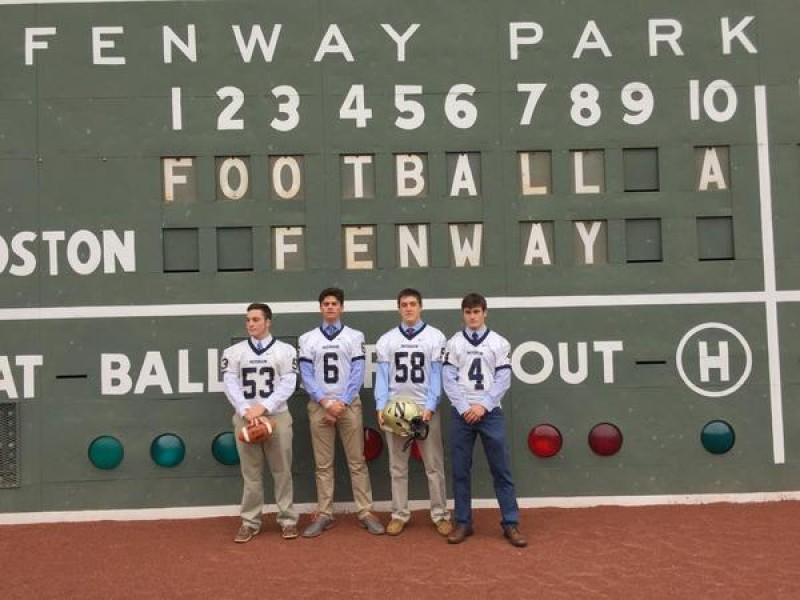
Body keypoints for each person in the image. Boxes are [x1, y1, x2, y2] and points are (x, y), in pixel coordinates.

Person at [442, 293, 527, 547]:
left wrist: (483, 406)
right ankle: (463, 522)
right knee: (460, 470)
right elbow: (448, 378)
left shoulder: (499, 343)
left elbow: (504, 379)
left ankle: (511, 523)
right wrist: (464, 406)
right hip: (462, 414)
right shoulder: (454, 343)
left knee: (501, 469)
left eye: (476, 311)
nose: (472, 316)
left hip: (490, 413)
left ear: (485, 312)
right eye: (468, 312)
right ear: (463, 314)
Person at [298, 287, 385, 537]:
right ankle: (324, 513)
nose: (330, 307)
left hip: (348, 405)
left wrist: (342, 403)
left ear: (341, 307)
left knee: (357, 461)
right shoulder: (308, 339)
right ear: (320, 308)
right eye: (325, 303)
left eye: (334, 303)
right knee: (323, 464)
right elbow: (306, 376)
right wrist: (326, 403)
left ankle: (365, 511)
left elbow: (358, 373)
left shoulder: (354, 336)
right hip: (319, 405)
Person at [375, 288, 452, 537]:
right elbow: (383, 376)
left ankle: (440, 513)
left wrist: (431, 406)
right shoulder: (387, 339)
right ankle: (399, 513)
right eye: (404, 304)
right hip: (396, 409)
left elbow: (437, 375)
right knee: (397, 467)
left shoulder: (435, 336)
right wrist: (380, 406)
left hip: (424, 409)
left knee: (434, 465)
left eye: (412, 304)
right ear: (399, 308)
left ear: (421, 307)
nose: (408, 308)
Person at [221, 302, 299, 543]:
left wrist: (263, 407)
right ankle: (250, 521)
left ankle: (287, 519)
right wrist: (246, 410)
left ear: (268, 322)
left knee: (282, 471)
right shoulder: (233, 352)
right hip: (245, 417)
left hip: (277, 416)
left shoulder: (285, 351)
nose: (250, 324)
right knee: (251, 473)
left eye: (256, 319)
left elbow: (289, 382)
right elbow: (230, 383)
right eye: (248, 320)